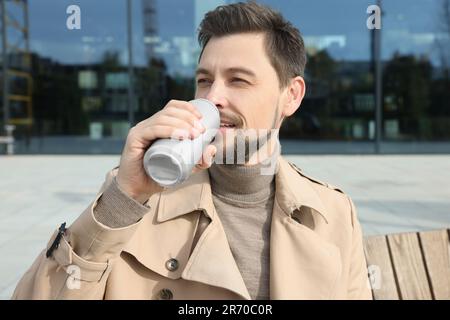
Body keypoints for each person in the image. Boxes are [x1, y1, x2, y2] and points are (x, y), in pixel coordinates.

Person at [12, 1, 372, 300]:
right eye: (204, 80)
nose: (212, 98)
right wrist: (124, 198)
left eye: (238, 80)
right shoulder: (134, 200)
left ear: (291, 95)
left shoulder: (333, 214)